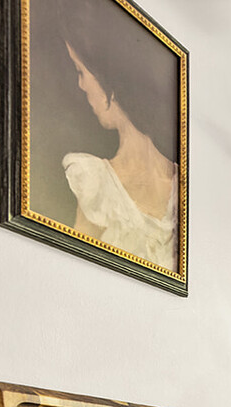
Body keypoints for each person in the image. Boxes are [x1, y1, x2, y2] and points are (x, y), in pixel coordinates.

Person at [56, 0, 178, 271]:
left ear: (104, 74)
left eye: (81, 71)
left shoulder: (182, 190)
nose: (81, 84)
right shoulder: (94, 183)